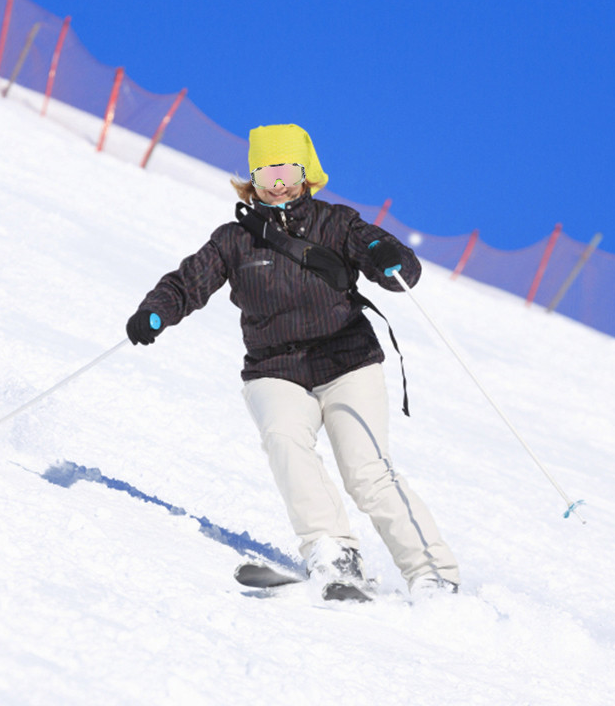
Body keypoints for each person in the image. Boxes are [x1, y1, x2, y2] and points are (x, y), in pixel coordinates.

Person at [126, 123, 459, 599]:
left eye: (287, 170)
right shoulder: (234, 240)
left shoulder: (336, 223)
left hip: (347, 360)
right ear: (252, 179)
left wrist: (389, 257)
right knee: (284, 441)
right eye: (266, 172)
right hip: (275, 368)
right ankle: (333, 553)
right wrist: (155, 312)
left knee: (366, 471)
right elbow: (186, 283)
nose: (277, 183)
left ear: (306, 173)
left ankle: (433, 574)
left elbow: (391, 263)